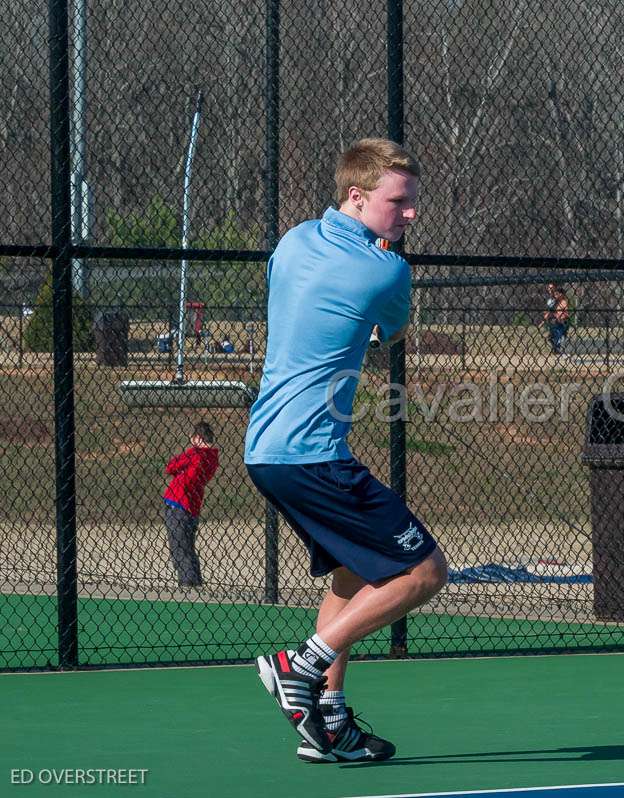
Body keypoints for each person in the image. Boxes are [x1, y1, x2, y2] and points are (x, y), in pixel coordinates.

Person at [244, 139, 448, 764]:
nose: (410, 214)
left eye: (413, 202)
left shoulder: (293, 240)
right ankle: (298, 667)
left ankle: (326, 724)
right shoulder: (388, 270)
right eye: (399, 202)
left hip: (266, 448)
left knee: (351, 573)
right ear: (357, 197)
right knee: (423, 572)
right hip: (311, 455)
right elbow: (391, 331)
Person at [162, 422, 220, 587]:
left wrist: (181, 470)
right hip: (192, 506)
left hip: (178, 503)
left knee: (179, 548)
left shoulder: (195, 453)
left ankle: (187, 585)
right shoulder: (212, 457)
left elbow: (171, 466)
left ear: (197, 438)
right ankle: (196, 583)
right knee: (187, 548)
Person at [538, 283, 570, 354]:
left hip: (562, 321)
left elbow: (564, 313)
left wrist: (560, 316)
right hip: (555, 321)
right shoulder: (553, 301)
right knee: (552, 337)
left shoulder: (563, 302)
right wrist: (544, 320)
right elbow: (550, 311)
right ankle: (557, 349)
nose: (550, 290)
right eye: (549, 288)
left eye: (552, 288)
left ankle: (560, 349)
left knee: (560, 336)